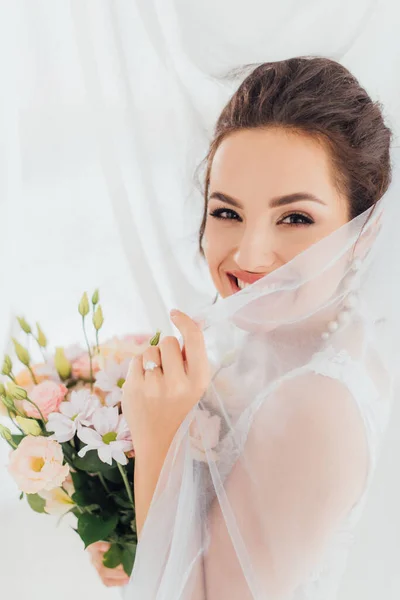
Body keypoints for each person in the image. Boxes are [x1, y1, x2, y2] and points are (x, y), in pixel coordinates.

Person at [93, 57, 399, 598]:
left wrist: (158, 436)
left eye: (296, 218)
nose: (250, 253)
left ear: (363, 234)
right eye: (227, 213)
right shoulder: (274, 339)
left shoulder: (315, 409)